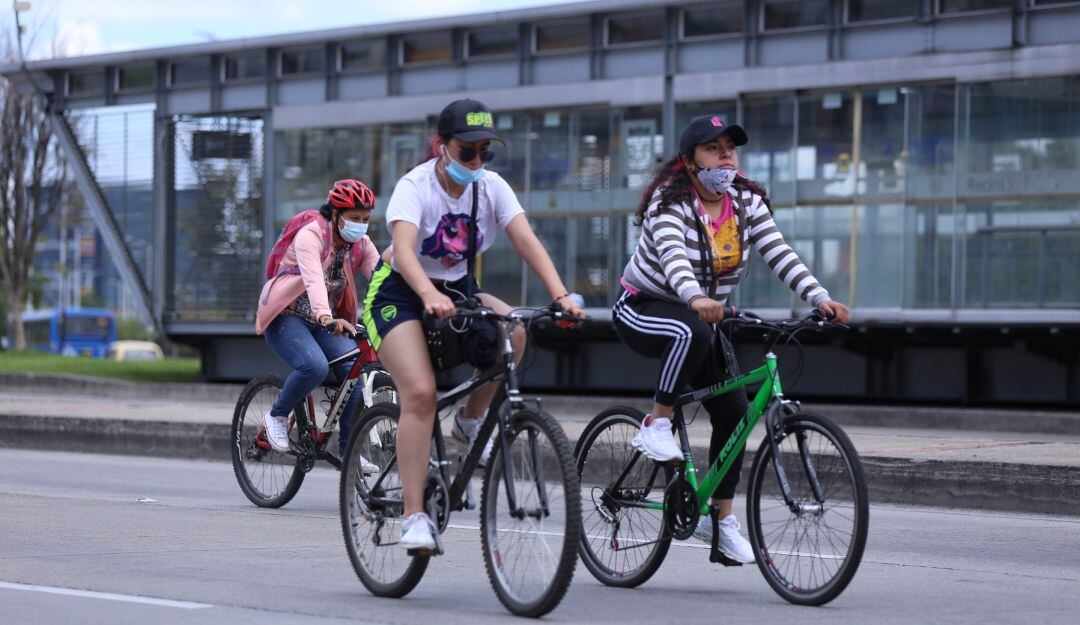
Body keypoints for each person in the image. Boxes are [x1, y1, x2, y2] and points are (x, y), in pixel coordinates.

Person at [614, 115, 851, 563]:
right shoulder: (671, 201)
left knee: (736, 411)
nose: (725, 157)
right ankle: (657, 423)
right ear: (688, 162)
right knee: (693, 328)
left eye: (730, 149)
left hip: (704, 318)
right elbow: (673, 258)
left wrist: (820, 298)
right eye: (713, 149)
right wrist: (696, 296)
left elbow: (779, 252)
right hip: (642, 308)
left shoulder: (745, 200)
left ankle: (721, 522)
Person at [361, 98, 584, 552]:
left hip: (457, 291)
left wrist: (560, 296)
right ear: (442, 147)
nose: (478, 161)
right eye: (468, 152)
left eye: (487, 152)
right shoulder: (416, 185)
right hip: (399, 294)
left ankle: (468, 421)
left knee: (516, 332)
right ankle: (413, 515)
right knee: (420, 395)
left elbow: (527, 240)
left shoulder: (492, 187)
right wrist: (427, 294)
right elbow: (403, 252)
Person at [255, 179, 382, 461]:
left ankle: (349, 453)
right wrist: (326, 316)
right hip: (286, 318)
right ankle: (276, 417)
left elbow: (382, 280)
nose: (360, 225)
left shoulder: (360, 245)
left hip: (323, 322)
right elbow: (313, 280)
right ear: (335, 215)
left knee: (355, 371)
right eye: (354, 218)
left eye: (365, 219)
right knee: (314, 366)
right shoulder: (311, 236)